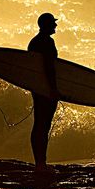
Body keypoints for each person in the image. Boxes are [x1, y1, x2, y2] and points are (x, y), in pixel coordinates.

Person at [28, 12, 61, 172]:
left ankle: (39, 163)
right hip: (46, 89)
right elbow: (49, 68)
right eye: (53, 23)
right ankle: (41, 164)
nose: (56, 26)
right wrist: (53, 89)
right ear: (46, 25)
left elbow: (32, 68)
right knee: (43, 125)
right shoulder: (47, 42)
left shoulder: (33, 42)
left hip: (38, 88)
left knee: (39, 124)